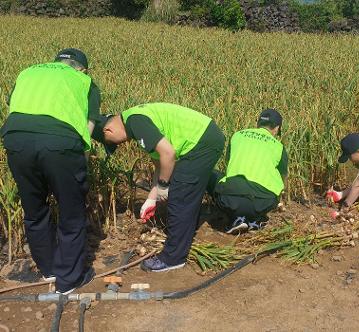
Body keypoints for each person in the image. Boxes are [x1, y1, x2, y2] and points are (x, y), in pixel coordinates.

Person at [0, 49, 110, 294]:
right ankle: (69, 280)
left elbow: (15, 105)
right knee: (71, 212)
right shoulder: (85, 82)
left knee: (34, 209)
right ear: (82, 68)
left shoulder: (28, 72)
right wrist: (79, 166)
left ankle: (49, 270)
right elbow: (88, 127)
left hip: (15, 139)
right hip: (59, 142)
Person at [102, 103, 225, 272]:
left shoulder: (135, 122)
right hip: (205, 138)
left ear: (108, 130)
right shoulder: (136, 120)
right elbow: (160, 165)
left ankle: (173, 258)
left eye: (115, 143)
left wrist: (164, 185)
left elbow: (168, 154)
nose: (123, 144)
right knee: (184, 191)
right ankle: (186, 230)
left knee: (179, 196)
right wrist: (152, 198)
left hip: (202, 142)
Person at [209, 109, 288, 234]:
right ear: (277, 128)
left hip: (230, 197)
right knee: (275, 188)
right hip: (262, 201)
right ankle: (254, 220)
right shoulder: (279, 147)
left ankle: (235, 218)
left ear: (258, 123)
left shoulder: (238, 135)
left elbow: (229, 162)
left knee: (211, 174)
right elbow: (283, 176)